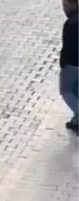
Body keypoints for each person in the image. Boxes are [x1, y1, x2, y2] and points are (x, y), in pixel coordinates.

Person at [60, 0, 79, 131]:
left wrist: (63, 63)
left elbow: (69, 48)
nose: (64, 9)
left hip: (72, 64)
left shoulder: (71, 24)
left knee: (66, 91)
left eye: (65, 5)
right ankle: (76, 120)